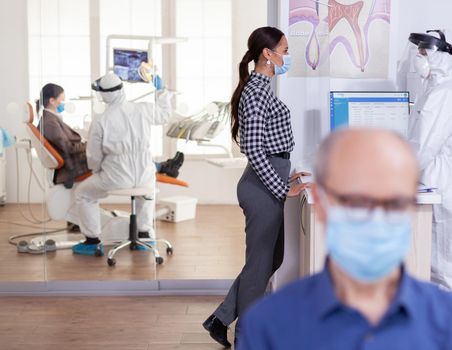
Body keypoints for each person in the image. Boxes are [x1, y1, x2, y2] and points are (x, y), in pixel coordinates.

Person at [237, 129, 452, 350]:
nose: (375, 217)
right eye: (356, 201)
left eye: (392, 201)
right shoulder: (267, 325)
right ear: (323, 203)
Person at [202, 26, 310, 347]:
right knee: (259, 264)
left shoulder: (262, 88)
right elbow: (252, 147)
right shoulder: (256, 91)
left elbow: (268, 144)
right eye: (285, 50)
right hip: (262, 187)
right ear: (268, 53)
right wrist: (280, 186)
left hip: (272, 176)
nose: (287, 57)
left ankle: (221, 318)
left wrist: (287, 175)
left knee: (270, 260)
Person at [72, 73, 179, 256]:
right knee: (147, 192)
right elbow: (164, 115)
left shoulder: (101, 119)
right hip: (145, 173)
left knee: (83, 194)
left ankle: (91, 241)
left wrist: (96, 170)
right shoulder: (142, 109)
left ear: (105, 95)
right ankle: (144, 234)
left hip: (116, 176)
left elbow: (93, 155)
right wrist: (161, 91)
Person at [407, 30, 452, 303]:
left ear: (442, 55)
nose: (418, 57)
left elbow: (426, 145)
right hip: (433, 174)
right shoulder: (435, 89)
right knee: (432, 265)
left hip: (441, 178)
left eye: (424, 52)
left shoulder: (447, 92)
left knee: (445, 271)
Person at [36, 83, 184, 189]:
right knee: (118, 154)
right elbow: (68, 148)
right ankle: (163, 166)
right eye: (62, 100)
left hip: (78, 157)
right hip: (74, 164)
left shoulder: (50, 119)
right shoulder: (49, 122)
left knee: (123, 152)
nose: (64, 103)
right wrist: (90, 144)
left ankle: (164, 166)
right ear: (52, 101)